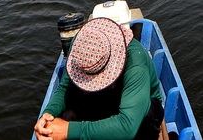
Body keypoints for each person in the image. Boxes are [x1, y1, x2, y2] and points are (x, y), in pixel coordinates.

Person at [34, 17, 165, 140]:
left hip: (139, 107)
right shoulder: (80, 47)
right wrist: (47, 115)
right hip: (105, 97)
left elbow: (128, 126)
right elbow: (64, 88)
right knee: (68, 111)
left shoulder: (135, 64)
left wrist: (68, 130)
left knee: (146, 120)